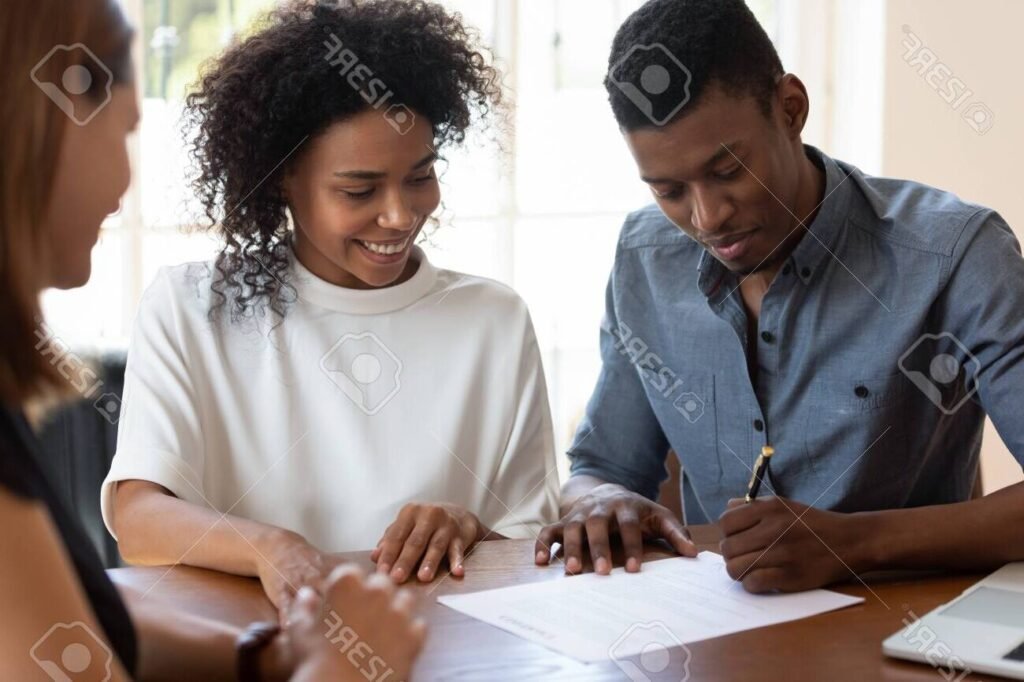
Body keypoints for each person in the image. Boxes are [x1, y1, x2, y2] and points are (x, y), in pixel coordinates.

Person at [537, 0, 1024, 593]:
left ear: (791, 109)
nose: (707, 217)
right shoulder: (645, 257)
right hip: (717, 640)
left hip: (902, 638)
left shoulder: (955, 254)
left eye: (729, 171)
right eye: (668, 190)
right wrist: (602, 500)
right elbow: (601, 469)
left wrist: (856, 544)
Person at [0, 0, 425, 679]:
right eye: (124, 130)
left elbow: (76, 618)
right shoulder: (186, 305)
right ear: (43, 122)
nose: (123, 181)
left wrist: (266, 658)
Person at [103, 0, 558, 620]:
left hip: (442, 649)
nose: (400, 216)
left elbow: (532, 540)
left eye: (420, 176)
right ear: (284, 179)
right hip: (260, 646)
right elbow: (138, 517)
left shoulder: (494, 321)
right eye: (359, 190)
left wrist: (467, 523)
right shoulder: (192, 307)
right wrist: (272, 547)